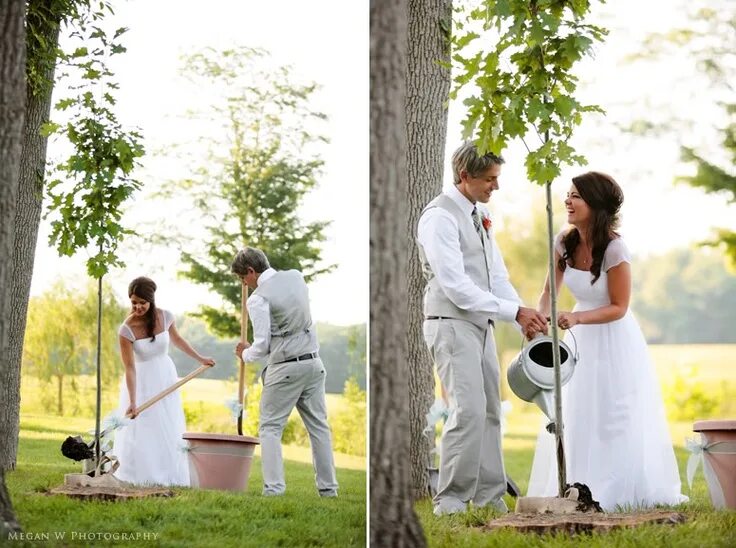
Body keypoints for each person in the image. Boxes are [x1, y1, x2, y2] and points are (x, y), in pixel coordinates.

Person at [527, 171, 688, 510]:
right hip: (580, 340)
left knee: (614, 413)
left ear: (596, 205)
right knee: (578, 411)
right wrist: (540, 319)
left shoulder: (615, 249)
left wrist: (577, 317)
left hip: (614, 339)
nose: (567, 201)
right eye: (568, 194)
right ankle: (577, 485)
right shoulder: (563, 243)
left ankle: (615, 489)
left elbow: (618, 306)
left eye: (576, 196)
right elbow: (548, 293)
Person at [417, 141, 548, 516]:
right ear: (464, 176)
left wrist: (521, 314)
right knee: (468, 410)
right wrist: (513, 312)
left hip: (481, 325)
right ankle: (451, 499)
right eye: (489, 179)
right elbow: (456, 286)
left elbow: (497, 276)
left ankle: (489, 496)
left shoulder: (481, 214)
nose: (496, 186)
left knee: (491, 409)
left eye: (497, 178)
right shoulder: (439, 217)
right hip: (450, 323)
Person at [232, 247, 339, 497]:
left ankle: (274, 490)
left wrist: (245, 354)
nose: (244, 283)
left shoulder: (257, 299)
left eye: (242, 278)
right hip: (314, 363)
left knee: (269, 428)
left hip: (286, 368)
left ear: (250, 271)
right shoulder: (296, 277)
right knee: (319, 428)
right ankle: (329, 490)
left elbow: (262, 345)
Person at [113, 277, 215, 486]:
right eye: (134, 302)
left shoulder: (165, 316)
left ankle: (170, 474)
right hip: (140, 384)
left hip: (165, 376)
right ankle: (140, 475)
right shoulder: (126, 330)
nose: (138, 307)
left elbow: (178, 340)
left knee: (167, 424)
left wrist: (200, 358)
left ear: (151, 300)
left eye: (142, 302)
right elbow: (130, 368)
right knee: (145, 428)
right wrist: (133, 401)